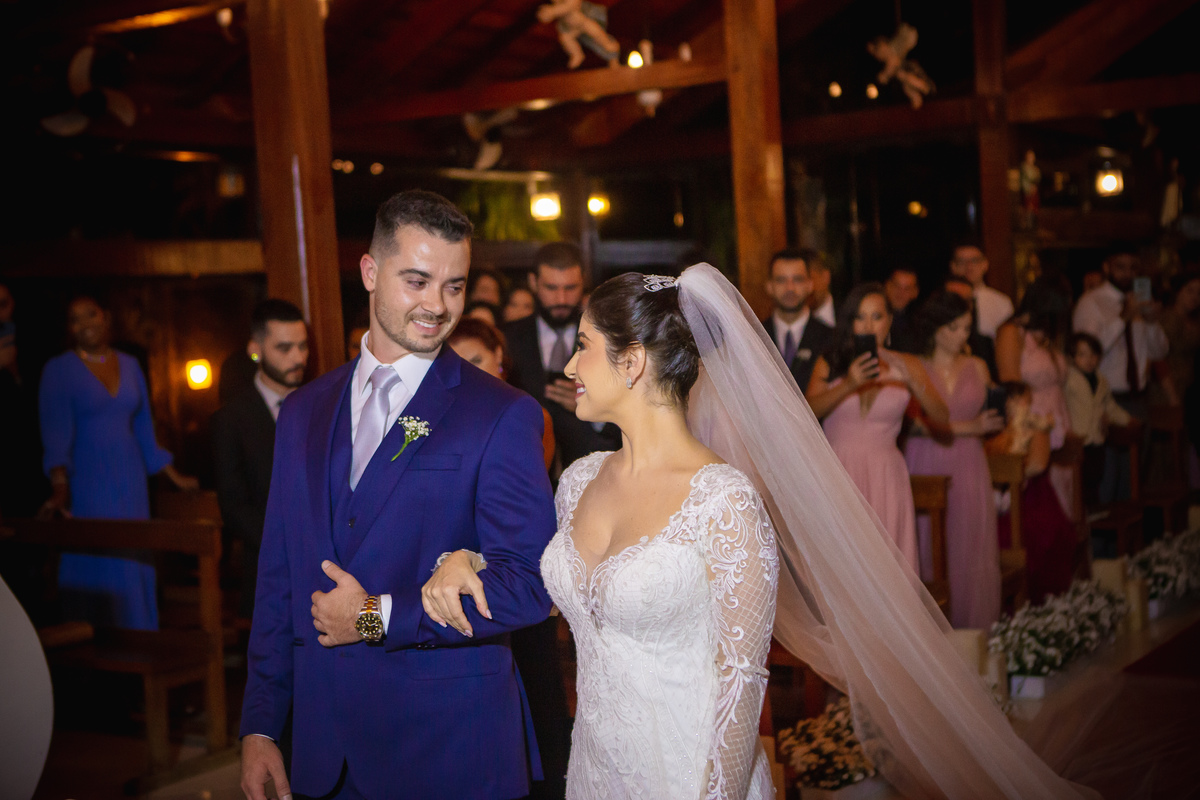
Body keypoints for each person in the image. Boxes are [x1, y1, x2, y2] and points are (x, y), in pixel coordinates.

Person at [438, 264, 1097, 800]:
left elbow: (740, 680)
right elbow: (543, 576)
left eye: (584, 346)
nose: (570, 368)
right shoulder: (579, 480)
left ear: (633, 361)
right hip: (594, 771)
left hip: (692, 777)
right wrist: (467, 558)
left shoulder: (724, 500)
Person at [239, 191, 557, 800]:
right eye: (417, 281)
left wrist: (372, 617)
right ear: (369, 271)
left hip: (447, 748)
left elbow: (528, 585)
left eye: (454, 286)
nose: (437, 305)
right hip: (324, 751)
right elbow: (278, 577)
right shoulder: (302, 412)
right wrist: (260, 725)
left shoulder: (499, 413)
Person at [446, 316, 569, 799]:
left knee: (535, 689)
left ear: (501, 360)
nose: (469, 372)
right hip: (463, 590)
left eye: (477, 360)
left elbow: (514, 507)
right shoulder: (435, 422)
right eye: (457, 363)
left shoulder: (521, 414)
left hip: (514, 578)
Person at [38, 296, 198, 630]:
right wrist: (59, 486)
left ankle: (140, 638)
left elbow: (145, 432)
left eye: (91, 314)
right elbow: (55, 435)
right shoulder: (58, 370)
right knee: (98, 556)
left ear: (106, 317)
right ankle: (94, 644)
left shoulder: (130, 364)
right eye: (76, 319)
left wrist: (175, 476)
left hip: (131, 477)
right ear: (69, 328)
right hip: (88, 479)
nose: (86, 323)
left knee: (133, 555)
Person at [806, 283, 949, 573]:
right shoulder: (831, 361)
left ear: (890, 320)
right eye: (860, 317)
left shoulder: (908, 363)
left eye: (877, 316)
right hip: (838, 472)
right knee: (842, 568)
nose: (868, 325)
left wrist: (912, 381)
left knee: (887, 568)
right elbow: (807, 413)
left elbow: (942, 418)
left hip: (885, 476)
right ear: (850, 323)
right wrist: (849, 384)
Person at [903, 291, 1003, 629]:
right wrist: (969, 427)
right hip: (925, 457)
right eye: (955, 327)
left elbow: (993, 415)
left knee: (969, 544)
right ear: (936, 328)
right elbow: (911, 424)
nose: (963, 334)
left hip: (969, 463)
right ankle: (930, 635)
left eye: (966, 327)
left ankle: (973, 634)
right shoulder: (915, 366)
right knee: (927, 543)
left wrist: (999, 418)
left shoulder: (978, 366)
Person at [212, 299, 309, 620]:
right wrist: (288, 541)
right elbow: (233, 506)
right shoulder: (232, 419)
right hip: (268, 573)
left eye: (302, 346)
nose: (298, 358)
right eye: (284, 348)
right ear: (255, 350)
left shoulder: (321, 404)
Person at [505, 242, 621, 470]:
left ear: (583, 282)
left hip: (593, 470)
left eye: (570, 288)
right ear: (533, 282)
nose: (561, 299)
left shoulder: (607, 338)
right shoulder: (508, 337)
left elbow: (629, 419)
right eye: (551, 288)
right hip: (523, 467)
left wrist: (594, 407)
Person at [987, 381, 1076, 603]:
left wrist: (1009, 472)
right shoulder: (992, 429)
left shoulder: (1035, 425)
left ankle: (1031, 602)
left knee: (1033, 536)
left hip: (1033, 496)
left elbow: (1038, 464)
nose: (1018, 405)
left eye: (1023, 400)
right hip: (998, 496)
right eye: (1012, 399)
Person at [995, 279, 1076, 519]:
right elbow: (1011, 384)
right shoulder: (1012, 332)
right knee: (1041, 502)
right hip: (1033, 422)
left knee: (1066, 496)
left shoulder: (1049, 335)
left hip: (1059, 419)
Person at [1071, 247, 1168, 421]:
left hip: (1139, 398)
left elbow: (1159, 353)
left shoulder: (1140, 301)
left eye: (1133, 268)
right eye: (1120, 267)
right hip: (1105, 397)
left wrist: (1152, 323)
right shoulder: (1091, 302)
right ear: (1107, 267)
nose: (1128, 274)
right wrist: (1123, 318)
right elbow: (1087, 353)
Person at [448, 317, 555, 470]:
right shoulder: (444, 416)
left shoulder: (529, 415)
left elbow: (526, 478)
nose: (469, 373)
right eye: (458, 366)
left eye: (476, 361)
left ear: (498, 354)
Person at [1064, 332, 1133, 509]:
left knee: (1096, 478)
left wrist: (1127, 420)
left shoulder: (1101, 380)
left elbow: (1110, 406)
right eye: (1082, 354)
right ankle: (1081, 516)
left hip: (1096, 440)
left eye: (1093, 355)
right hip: (1078, 440)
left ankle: (1094, 515)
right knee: (1079, 484)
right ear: (1072, 357)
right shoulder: (1069, 379)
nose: (1089, 360)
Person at [761, 248, 835, 392]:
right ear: (769, 286)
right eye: (781, 280)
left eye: (797, 279)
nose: (790, 288)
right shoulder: (755, 335)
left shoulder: (830, 338)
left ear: (810, 285)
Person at [949, 241, 1013, 339]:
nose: (969, 267)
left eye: (974, 261)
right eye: (962, 262)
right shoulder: (944, 302)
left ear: (985, 264)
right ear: (953, 266)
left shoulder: (1001, 302)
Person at [944, 275, 998, 380]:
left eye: (967, 301)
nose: (961, 307)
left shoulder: (985, 345)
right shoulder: (922, 347)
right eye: (955, 301)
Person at [883, 267, 921, 353]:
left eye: (907, 289)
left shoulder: (918, 325)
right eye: (896, 286)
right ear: (887, 286)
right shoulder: (873, 317)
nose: (900, 293)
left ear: (915, 292)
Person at [806, 252, 836, 326]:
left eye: (810, 279)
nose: (807, 288)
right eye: (799, 281)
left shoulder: (849, 311)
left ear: (826, 277)